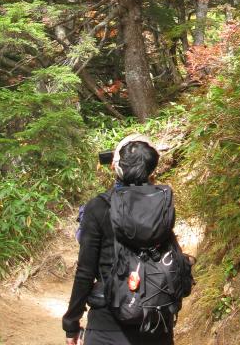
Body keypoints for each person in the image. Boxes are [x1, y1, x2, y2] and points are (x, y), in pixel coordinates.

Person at [62, 134, 175, 345]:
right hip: (156, 321)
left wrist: (71, 322)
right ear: (151, 169)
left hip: (107, 324)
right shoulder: (163, 204)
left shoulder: (99, 207)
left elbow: (85, 272)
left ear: (116, 167)